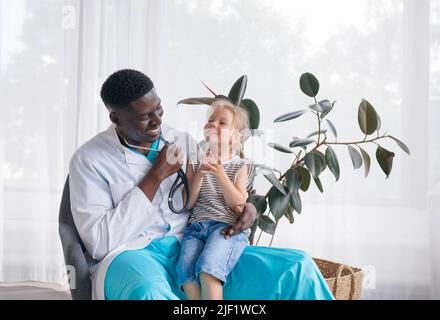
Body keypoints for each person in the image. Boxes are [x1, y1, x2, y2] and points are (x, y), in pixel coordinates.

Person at [69, 69, 334, 300]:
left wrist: (248, 207)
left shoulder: (181, 139)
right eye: (144, 116)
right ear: (116, 119)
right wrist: (154, 177)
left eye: (159, 109)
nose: (158, 121)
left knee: (297, 268)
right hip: (133, 256)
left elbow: (216, 189)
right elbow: (100, 243)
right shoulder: (89, 159)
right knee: (149, 295)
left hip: (196, 245)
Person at [176, 99, 253, 300]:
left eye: (222, 122)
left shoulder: (240, 165)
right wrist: (200, 175)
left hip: (224, 228)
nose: (213, 124)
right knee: (185, 273)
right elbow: (188, 204)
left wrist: (221, 175)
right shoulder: (196, 161)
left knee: (208, 269)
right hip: (196, 228)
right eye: (211, 120)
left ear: (235, 137)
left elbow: (238, 204)